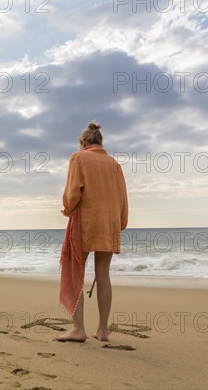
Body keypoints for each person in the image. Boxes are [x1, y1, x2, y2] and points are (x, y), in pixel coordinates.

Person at [57, 121, 128, 342]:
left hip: (86, 220)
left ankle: (78, 329)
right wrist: (120, 223)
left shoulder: (79, 158)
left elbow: (73, 193)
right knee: (103, 274)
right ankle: (103, 330)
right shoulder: (114, 164)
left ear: (83, 142)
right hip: (109, 223)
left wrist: (67, 208)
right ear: (100, 141)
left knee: (75, 271)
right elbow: (123, 198)